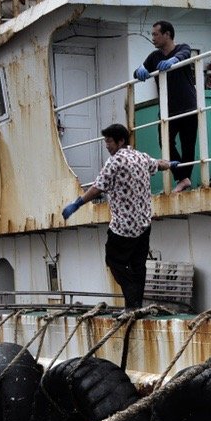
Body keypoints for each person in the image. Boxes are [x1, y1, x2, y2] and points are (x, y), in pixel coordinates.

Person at [61, 123, 176, 310]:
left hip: (124, 227)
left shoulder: (115, 161)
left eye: (109, 141)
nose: (107, 145)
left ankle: (131, 299)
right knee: (138, 266)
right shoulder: (140, 156)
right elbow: (158, 164)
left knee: (114, 261)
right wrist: (170, 165)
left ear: (120, 141)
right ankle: (134, 306)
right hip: (144, 224)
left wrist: (77, 203)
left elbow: (98, 187)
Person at [133, 20, 197, 193]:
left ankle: (184, 180)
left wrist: (174, 60)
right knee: (165, 142)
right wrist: (139, 70)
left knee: (188, 145)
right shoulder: (154, 57)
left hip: (188, 107)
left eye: (156, 34)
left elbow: (185, 54)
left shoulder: (181, 48)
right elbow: (138, 70)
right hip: (167, 109)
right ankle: (182, 178)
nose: (152, 38)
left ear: (167, 34)